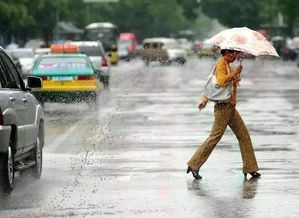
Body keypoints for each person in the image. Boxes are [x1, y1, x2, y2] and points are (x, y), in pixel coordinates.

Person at [186, 49, 261, 180]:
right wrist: (235, 74)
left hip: (231, 108)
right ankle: (194, 164)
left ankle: (250, 168)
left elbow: (221, 86)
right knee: (214, 137)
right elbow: (220, 82)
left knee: (244, 136)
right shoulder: (221, 64)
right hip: (223, 109)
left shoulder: (227, 65)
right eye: (233, 54)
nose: (235, 56)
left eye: (236, 54)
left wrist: (236, 76)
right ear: (226, 53)